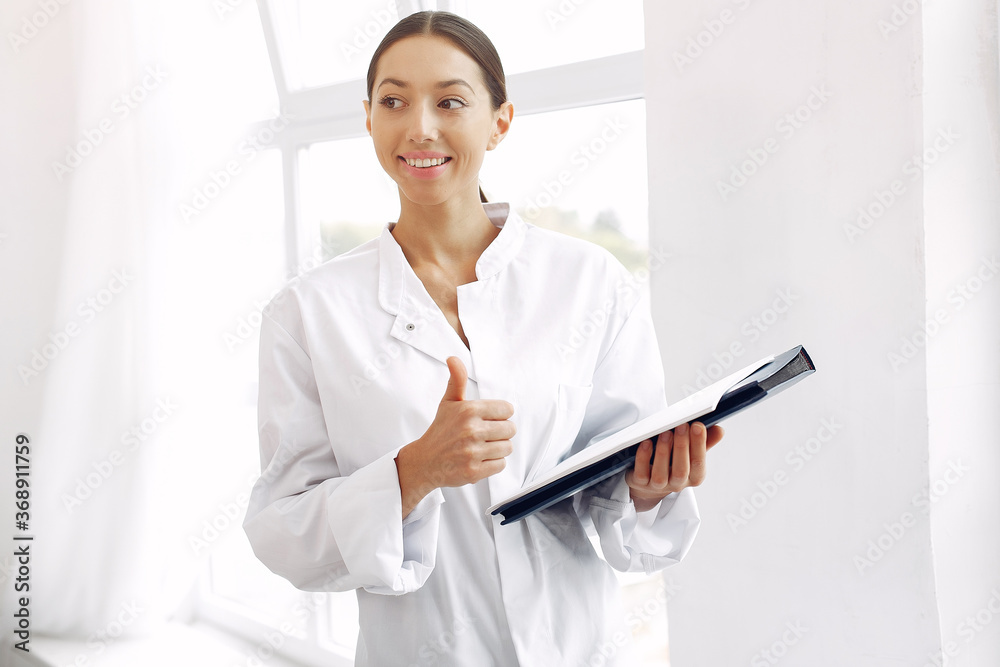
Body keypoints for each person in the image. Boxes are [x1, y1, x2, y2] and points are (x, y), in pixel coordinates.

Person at [243, 10, 723, 666]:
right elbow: (280, 530)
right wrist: (414, 472)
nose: (420, 127)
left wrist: (649, 487)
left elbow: (617, 492)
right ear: (368, 119)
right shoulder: (308, 313)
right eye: (394, 101)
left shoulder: (587, 283)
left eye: (450, 101)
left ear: (500, 121)